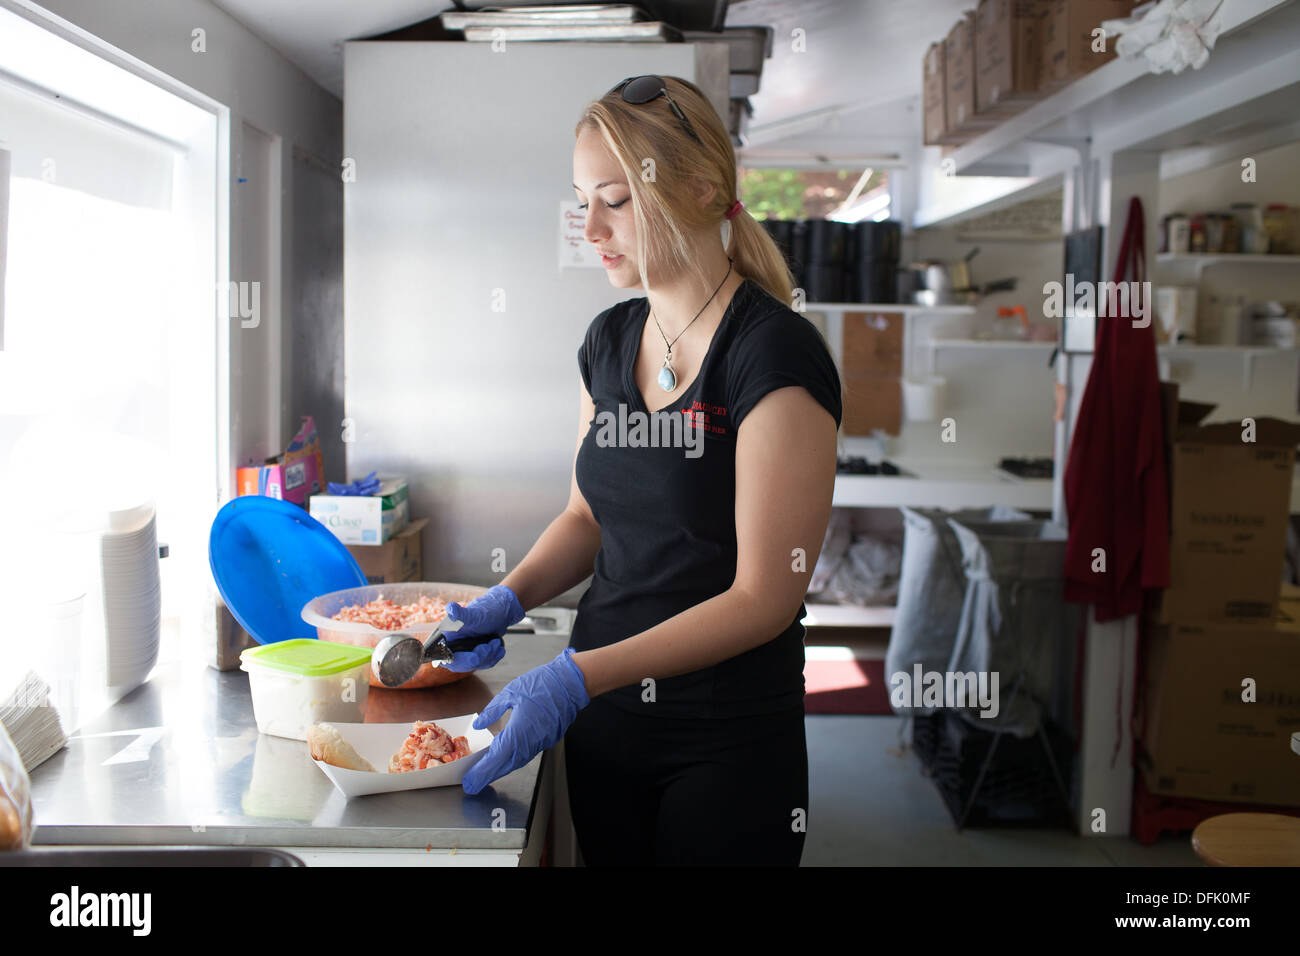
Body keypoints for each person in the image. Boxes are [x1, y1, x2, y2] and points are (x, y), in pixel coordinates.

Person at [444, 75, 842, 866]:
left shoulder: (770, 355)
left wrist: (575, 677)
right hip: (605, 726)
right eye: (581, 199)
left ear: (701, 189)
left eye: (616, 200)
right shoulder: (609, 339)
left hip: (724, 742)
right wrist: (504, 599)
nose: (588, 226)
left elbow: (766, 596)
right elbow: (586, 518)